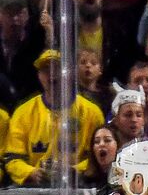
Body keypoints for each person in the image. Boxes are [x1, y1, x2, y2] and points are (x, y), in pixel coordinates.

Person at [3, 50, 105, 186]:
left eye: (57, 68)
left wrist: (74, 171)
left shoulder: (91, 112)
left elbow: (99, 155)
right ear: (39, 75)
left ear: (69, 74)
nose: (51, 74)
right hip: (33, 192)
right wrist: (31, 172)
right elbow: (12, 157)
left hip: (78, 189)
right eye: (45, 69)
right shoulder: (23, 112)